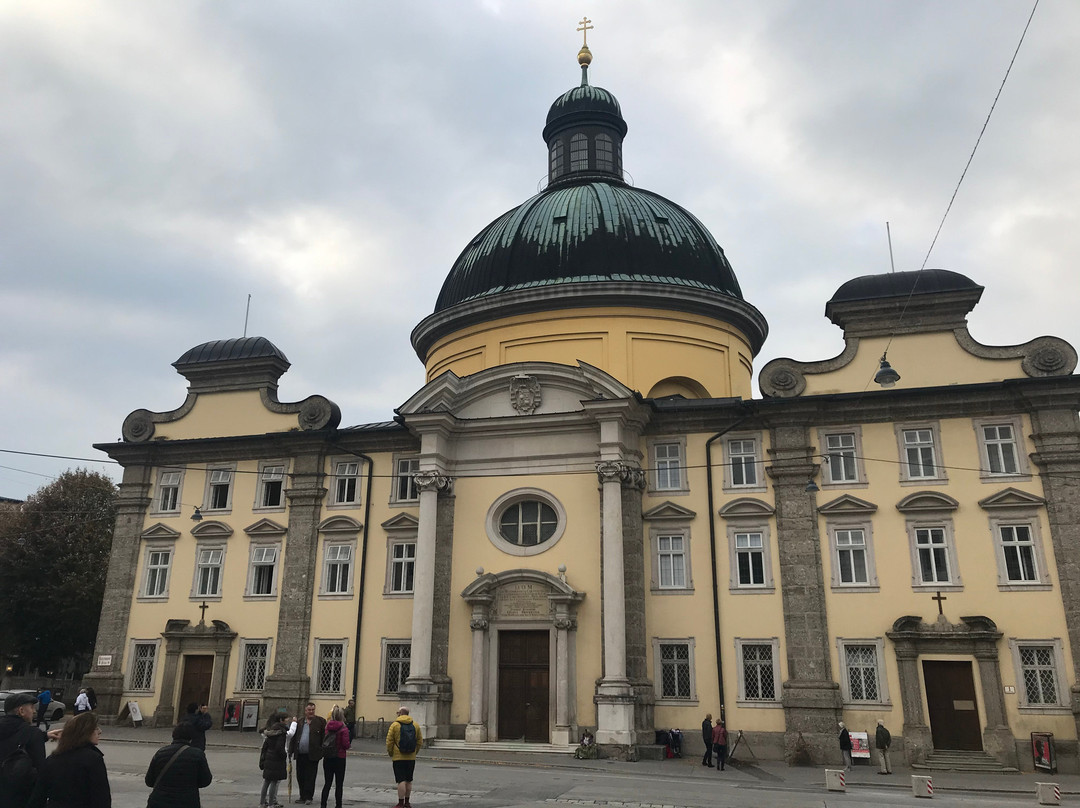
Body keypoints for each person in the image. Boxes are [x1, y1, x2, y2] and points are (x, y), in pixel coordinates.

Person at [26, 712, 110, 808]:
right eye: (95, 728)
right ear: (85, 732)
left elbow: (38, 796)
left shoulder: (52, 759)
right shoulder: (93, 759)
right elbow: (101, 798)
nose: (99, 731)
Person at [145, 722, 212, 808]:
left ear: (173, 736)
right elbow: (206, 781)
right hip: (187, 802)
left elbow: (149, 781)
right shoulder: (198, 755)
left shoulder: (160, 753)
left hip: (159, 802)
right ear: (191, 738)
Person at [0, 692, 49, 808]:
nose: (34, 711)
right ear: (21, 711)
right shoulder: (32, 734)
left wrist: (45, 736)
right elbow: (40, 770)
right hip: (19, 797)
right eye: (31, 707)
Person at [288, 702, 325, 805]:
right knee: (300, 776)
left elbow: (324, 738)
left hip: (313, 755)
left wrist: (321, 751)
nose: (311, 712)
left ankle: (309, 797)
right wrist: (291, 751)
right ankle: (302, 796)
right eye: (309, 710)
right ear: (305, 711)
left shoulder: (320, 721)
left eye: (313, 710)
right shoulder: (300, 722)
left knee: (310, 776)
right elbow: (294, 738)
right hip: (300, 754)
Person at [386, 706, 422, 808]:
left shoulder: (394, 725)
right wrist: (415, 752)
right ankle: (407, 802)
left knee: (401, 780)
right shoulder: (415, 725)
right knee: (409, 780)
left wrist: (390, 752)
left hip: (398, 757)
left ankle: (400, 803)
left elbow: (389, 741)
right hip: (411, 757)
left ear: (400, 713)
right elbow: (420, 741)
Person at [319, 707, 350, 808]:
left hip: (328, 757)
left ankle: (323, 804)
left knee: (327, 783)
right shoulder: (344, 729)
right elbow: (346, 745)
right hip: (339, 757)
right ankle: (338, 805)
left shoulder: (328, 727)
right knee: (339, 784)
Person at [259, 710, 290, 808]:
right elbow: (279, 748)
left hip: (269, 757)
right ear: (281, 720)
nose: (287, 721)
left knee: (267, 780)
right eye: (286, 720)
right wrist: (285, 755)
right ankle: (271, 804)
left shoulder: (271, 730)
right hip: (276, 759)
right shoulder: (281, 732)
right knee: (274, 781)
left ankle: (262, 803)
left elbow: (266, 746)